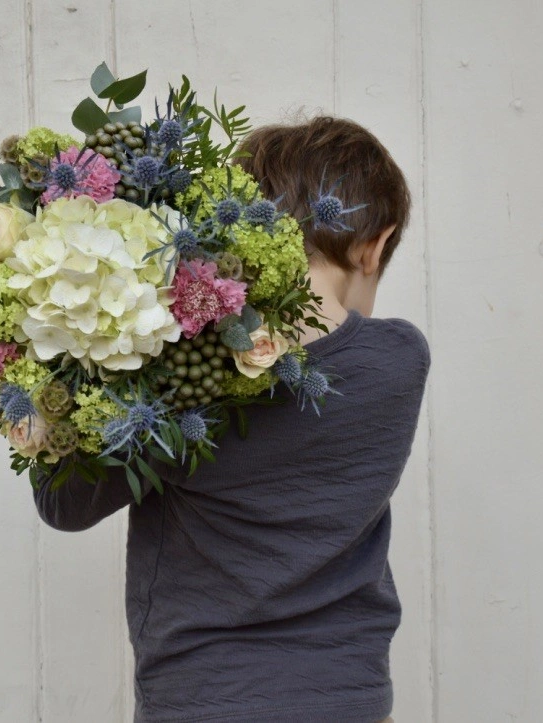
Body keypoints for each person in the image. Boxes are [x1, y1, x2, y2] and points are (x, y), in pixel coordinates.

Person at [32, 115, 429, 723]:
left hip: (202, 698)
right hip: (348, 699)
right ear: (375, 244)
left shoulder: (181, 377)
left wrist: (58, 370)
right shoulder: (400, 361)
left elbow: (65, 506)